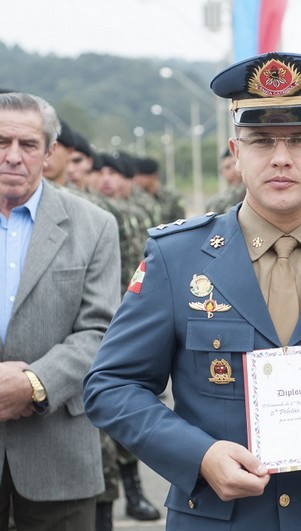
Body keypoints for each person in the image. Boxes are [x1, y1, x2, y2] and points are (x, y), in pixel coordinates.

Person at [84, 51, 301, 530]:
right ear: (236, 153)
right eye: (260, 141)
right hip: (217, 519)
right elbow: (112, 385)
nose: (280, 157)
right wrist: (199, 456)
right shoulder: (177, 258)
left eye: (300, 140)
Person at [0, 92, 120, 528]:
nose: (13, 156)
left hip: (58, 451)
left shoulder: (94, 225)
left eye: (28, 145)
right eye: (2, 142)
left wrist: (34, 383)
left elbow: (101, 330)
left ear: (50, 153)